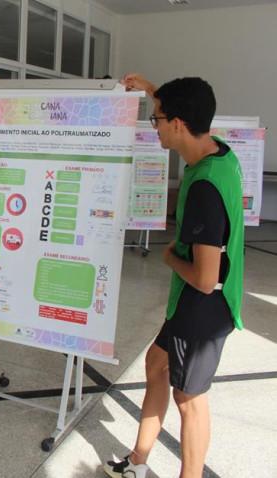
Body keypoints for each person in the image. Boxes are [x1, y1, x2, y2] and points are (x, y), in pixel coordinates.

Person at [104, 75, 244, 478]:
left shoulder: (204, 188)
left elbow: (204, 277)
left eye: (157, 118)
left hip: (205, 305)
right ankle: (138, 460)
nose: (155, 126)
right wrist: (152, 90)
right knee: (156, 364)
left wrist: (168, 256)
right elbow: (188, 106)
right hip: (193, 303)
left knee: (189, 397)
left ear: (178, 124)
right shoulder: (217, 151)